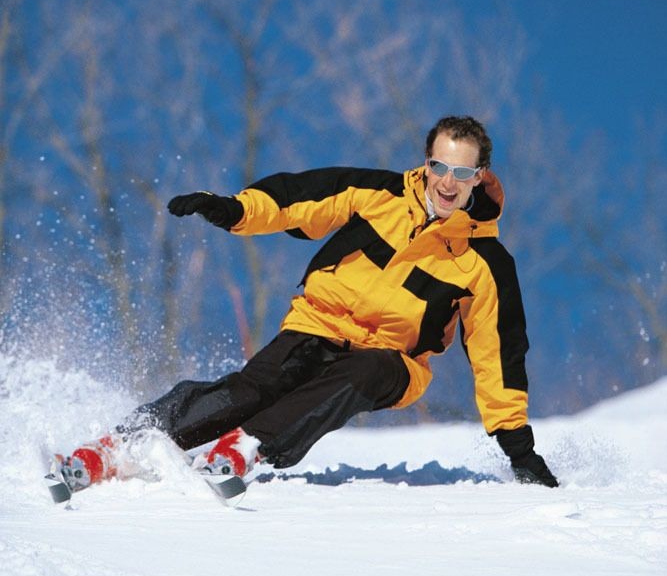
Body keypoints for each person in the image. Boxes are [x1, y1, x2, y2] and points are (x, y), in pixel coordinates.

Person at [50, 115, 558, 500]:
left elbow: (498, 355)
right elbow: (298, 199)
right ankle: (118, 446)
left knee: (361, 372)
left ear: (479, 177)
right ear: (426, 163)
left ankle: (246, 447)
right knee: (253, 387)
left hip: (392, 361)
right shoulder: (376, 194)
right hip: (317, 325)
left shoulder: (484, 262)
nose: (448, 182)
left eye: (462, 171)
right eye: (439, 166)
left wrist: (518, 448)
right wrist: (234, 210)